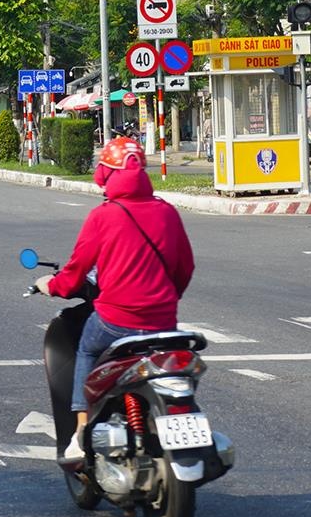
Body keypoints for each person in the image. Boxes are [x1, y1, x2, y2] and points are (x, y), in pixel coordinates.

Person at [33, 136, 194, 462]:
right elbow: (184, 267)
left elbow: (76, 272)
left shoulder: (103, 216)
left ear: (107, 175)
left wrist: (52, 285)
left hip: (116, 322)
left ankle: (80, 432)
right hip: (164, 323)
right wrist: (166, 299)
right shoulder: (167, 212)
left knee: (86, 350)